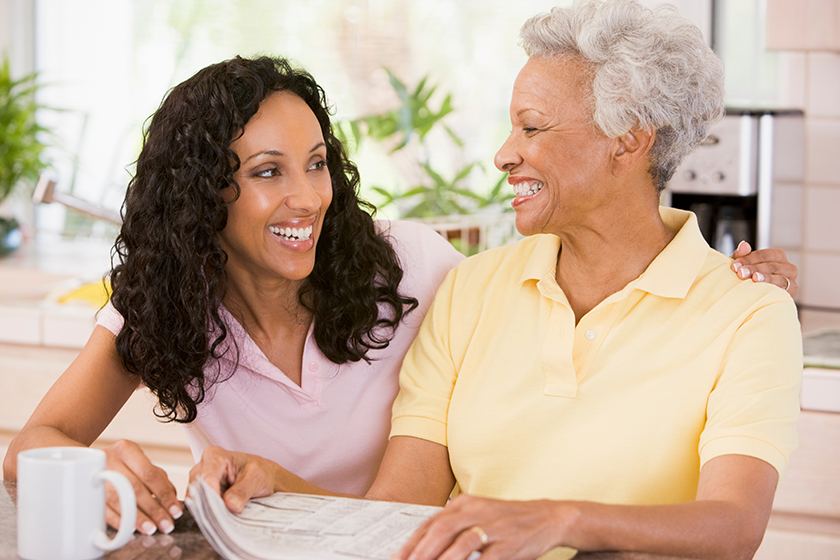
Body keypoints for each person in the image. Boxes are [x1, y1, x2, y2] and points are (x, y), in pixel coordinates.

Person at [191, 2, 802, 559]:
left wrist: (558, 521)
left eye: (532, 128)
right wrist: (282, 487)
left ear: (629, 139)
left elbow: (732, 526)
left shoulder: (748, 311)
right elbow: (399, 512)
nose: (504, 154)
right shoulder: (472, 290)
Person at [2, 55, 464, 535]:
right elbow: (27, 450)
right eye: (268, 172)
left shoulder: (413, 267)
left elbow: (404, 520)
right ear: (202, 193)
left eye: (316, 163)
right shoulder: (168, 301)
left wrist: (281, 485)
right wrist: (89, 472)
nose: (308, 198)